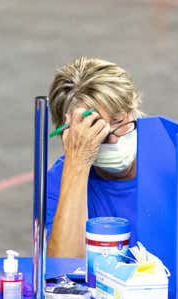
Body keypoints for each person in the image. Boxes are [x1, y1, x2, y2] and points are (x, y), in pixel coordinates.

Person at [46, 57, 142, 258]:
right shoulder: (58, 181)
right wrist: (77, 164)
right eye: (98, 133)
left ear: (133, 110)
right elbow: (64, 272)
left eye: (118, 121)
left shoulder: (176, 160)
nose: (114, 141)